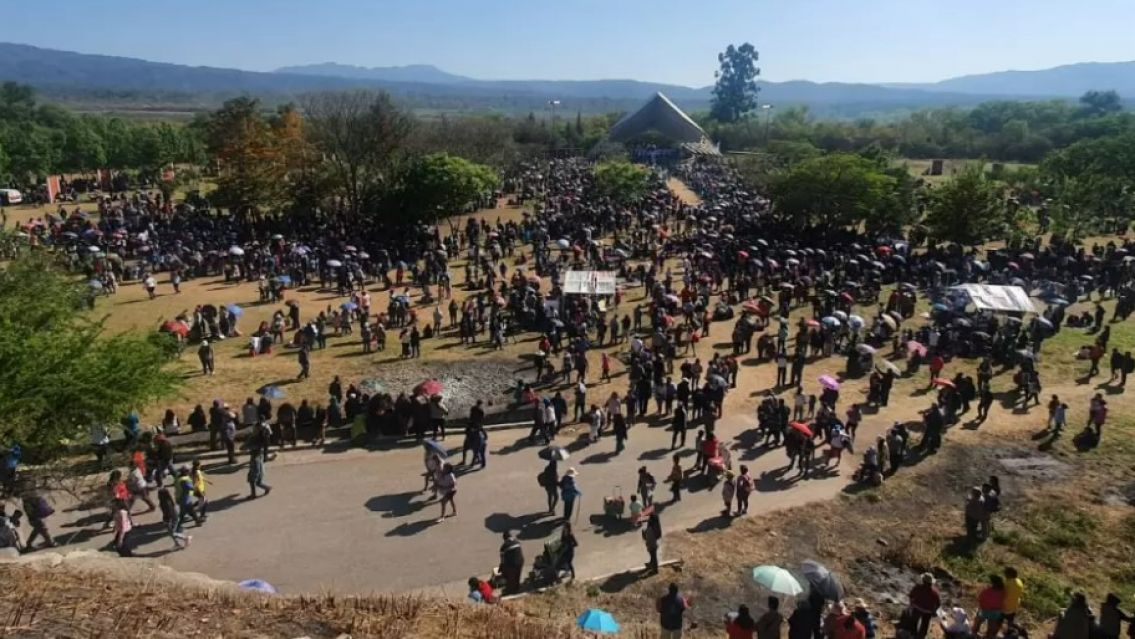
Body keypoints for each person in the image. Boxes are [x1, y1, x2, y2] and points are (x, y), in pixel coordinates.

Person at [908, 573, 941, 639]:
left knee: (914, 621)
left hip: (917, 607)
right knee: (925, 625)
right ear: (931, 582)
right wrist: (934, 611)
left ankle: (912, 634)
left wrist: (911, 604)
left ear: (923, 580)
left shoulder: (918, 587)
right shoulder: (935, 592)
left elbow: (911, 596)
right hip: (928, 611)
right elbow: (938, 604)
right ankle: (922, 636)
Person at [972, 574, 1005, 639]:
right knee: (991, 626)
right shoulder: (1003, 591)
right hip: (996, 611)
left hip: (985, 610)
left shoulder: (988, 591)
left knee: (977, 622)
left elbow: (980, 599)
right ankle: (988, 636)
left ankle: (973, 634)